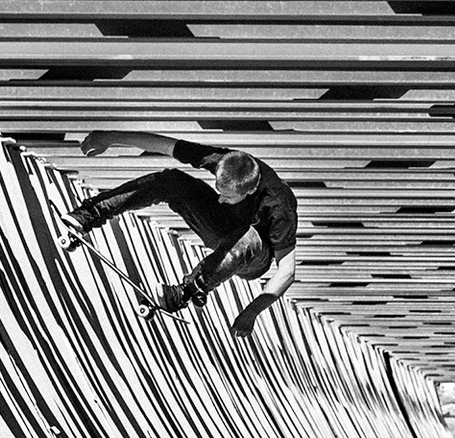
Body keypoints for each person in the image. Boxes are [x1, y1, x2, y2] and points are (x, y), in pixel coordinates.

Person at [63, 131, 302, 330]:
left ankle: (185, 293)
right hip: (220, 228)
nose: (219, 199)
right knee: (172, 181)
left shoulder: (279, 205)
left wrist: (251, 312)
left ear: (249, 191)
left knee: (248, 237)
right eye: (219, 190)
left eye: (227, 196)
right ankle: (89, 214)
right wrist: (109, 137)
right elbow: (167, 145)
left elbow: (286, 271)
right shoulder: (225, 161)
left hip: (253, 258)